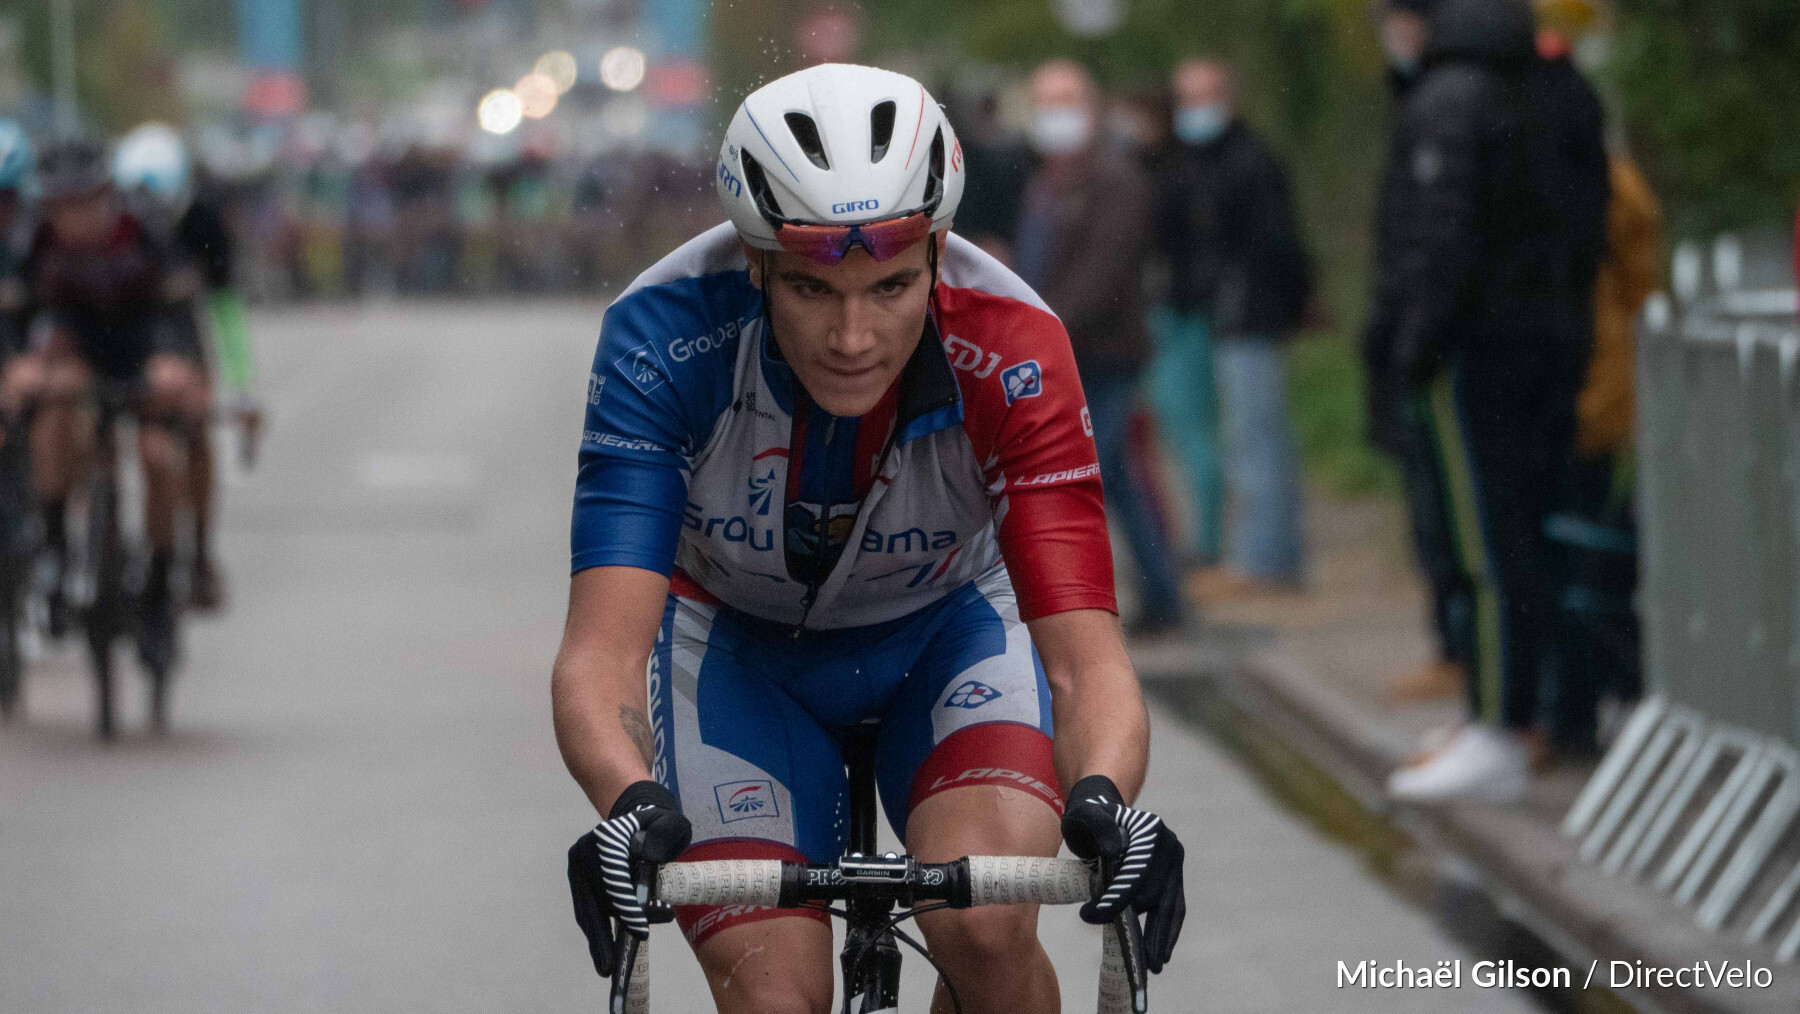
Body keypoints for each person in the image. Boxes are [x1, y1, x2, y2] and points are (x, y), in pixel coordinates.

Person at [555, 64, 1187, 1014]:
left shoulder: (1016, 345)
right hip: (738, 650)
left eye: (892, 285)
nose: (853, 336)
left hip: (947, 632)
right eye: (812, 289)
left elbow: (1088, 667)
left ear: (938, 251)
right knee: (773, 999)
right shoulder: (662, 334)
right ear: (756, 260)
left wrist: (1105, 800)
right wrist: (626, 802)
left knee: (986, 924)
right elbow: (601, 657)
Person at [1373, 0, 1608, 803]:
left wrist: (1410, 351)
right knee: (1533, 537)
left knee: (1484, 548)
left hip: (1471, 357)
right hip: (1546, 344)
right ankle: (1532, 714)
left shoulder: (1447, 100)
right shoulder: (1551, 85)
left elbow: (1439, 243)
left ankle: (1502, 723)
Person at [11, 138, 213, 673]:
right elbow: (14, 314)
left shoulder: (146, 230)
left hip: (141, 344)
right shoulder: (33, 238)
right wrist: (17, 368)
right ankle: (55, 547)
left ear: (106, 195)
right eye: (60, 204)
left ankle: (158, 590)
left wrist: (178, 364)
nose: (72, 216)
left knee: (158, 457)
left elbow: (182, 313)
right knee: (53, 418)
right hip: (72, 346)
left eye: (83, 201)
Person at [1011, 59, 1186, 635]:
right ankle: (1140, 592)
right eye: (1045, 103)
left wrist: (1043, 330)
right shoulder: (1045, 182)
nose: (1054, 117)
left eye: (1065, 102)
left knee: (1111, 470)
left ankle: (1159, 592)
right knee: (1100, 472)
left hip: (1105, 357)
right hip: (1060, 357)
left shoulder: (1116, 180)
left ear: (1090, 107)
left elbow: (1105, 277)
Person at [1155, 59, 1312, 595]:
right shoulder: (1203, 162)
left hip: (1249, 316)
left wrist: (1262, 304)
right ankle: (1263, 555)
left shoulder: (1249, 162)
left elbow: (1274, 247)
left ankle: (1265, 561)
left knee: (1255, 439)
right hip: (1232, 314)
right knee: (1247, 436)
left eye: (1206, 94)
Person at [114, 122, 248, 611]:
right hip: (123, 340)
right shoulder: (108, 225)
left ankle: (200, 550)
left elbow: (225, 306)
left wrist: (242, 382)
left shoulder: (203, 221)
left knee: (194, 431)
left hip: (183, 341)